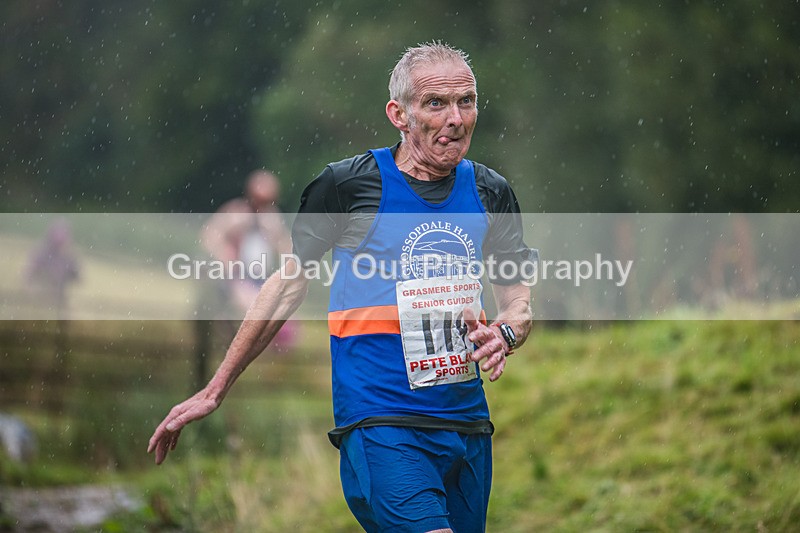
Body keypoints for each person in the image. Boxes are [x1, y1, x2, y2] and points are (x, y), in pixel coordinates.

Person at [149, 42, 535, 532]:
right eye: (436, 103)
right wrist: (216, 387)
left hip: (467, 424)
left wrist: (504, 334)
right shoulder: (347, 186)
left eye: (467, 101)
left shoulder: (490, 191)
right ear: (399, 114)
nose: (455, 118)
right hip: (382, 423)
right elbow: (286, 286)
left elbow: (518, 302)